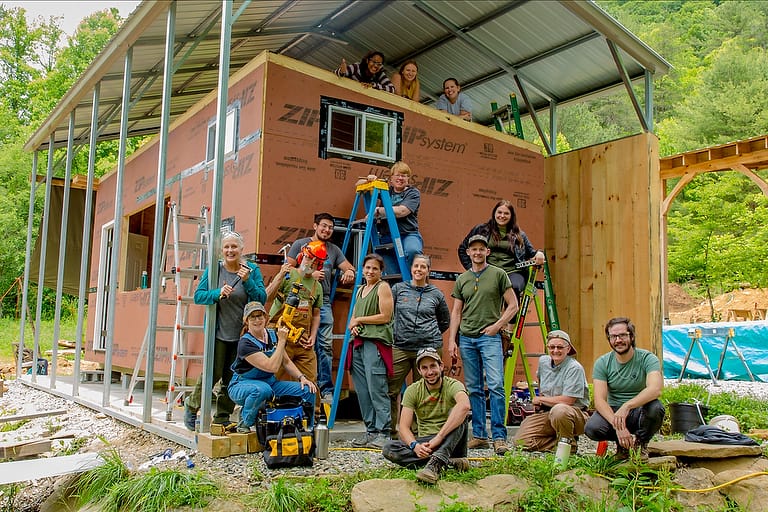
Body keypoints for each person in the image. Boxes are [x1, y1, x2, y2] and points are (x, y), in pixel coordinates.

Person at [186, 231, 266, 431]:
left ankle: (222, 416)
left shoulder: (252, 270)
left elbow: (261, 298)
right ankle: (192, 405)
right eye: (226, 247)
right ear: (221, 251)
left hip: (241, 336)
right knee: (212, 374)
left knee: (233, 377)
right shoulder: (214, 270)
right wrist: (217, 293)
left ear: (241, 249)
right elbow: (199, 296)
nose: (230, 250)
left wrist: (248, 281)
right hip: (218, 332)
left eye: (234, 247)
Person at [446, 234, 519, 455]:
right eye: (473, 249)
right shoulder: (463, 279)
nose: (477, 252)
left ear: (488, 252)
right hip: (467, 338)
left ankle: (499, 437)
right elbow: (456, 311)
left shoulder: (498, 275)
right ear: (468, 253)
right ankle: (479, 435)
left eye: (481, 249)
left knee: (496, 385)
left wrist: (497, 326)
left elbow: (513, 305)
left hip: (489, 337)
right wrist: (452, 340)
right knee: (474, 388)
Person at [286, 213, 356, 402]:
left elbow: (349, 268)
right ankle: (298, 389)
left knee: (324, 345)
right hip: (300, 300)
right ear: (315, 225)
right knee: (298, 343)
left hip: (322, 302)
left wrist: (349, 272)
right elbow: (286, 270)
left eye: (330, 227)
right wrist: (308, 273)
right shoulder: (300, 244)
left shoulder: (333, 250)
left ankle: (325, 389)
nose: (327, 230)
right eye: (323, 226)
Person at [382, 348, 471, 484]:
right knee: (388, 448)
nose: (429, 372)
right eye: (424, 368)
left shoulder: (453, 384)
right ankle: (449, 463)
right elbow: (403, 427)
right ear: (419, 371)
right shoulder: (413, 390)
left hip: (451, 441)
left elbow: (465, 406)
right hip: (426, 444)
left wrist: (439, 437)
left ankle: (436, 462)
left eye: (433, 366)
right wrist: (415, 446)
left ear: (441, 366)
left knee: (461, 414)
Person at [228, 302, 317, 433]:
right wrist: (282, 341)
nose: (257, 320)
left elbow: (286, 362)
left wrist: (302, 378)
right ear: (246, 321)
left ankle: (307, 427)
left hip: (270, 384)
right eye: (252, 317)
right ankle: (244, 422)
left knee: (308, 389)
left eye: (260, 316)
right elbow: (272, 367)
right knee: (262, 390)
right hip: (242, 385)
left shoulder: (272, 335)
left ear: (266, 318)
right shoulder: (245, 343)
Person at [584, 317, 665, 460]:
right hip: (615, 411)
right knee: (592, 428)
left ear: (631, 336)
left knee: (656, 408)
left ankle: (640, 444)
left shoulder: (647, 358)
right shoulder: (602, 363)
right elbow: (599, 400)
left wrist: (627, 405)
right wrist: (618, 426)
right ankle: (623, 446)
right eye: (613, 336)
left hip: (640, 410)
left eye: (623, 335)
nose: (618, 340)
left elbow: (655, 389)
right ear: (609, 339)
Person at [388, 254, 450, 434]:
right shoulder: (398, 289)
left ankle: (419, 432)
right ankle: (390, 431)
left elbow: (444, 321)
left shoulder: (436, 294)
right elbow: (387, 313)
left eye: (423, 267)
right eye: (416, 266)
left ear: (428, 271)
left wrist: (428, 335)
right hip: (400, 346)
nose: (419, 270)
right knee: (391, 389)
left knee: (424, 390)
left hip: (428, 348)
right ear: (411, 268)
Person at [512, 330, 589, 453]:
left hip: (574, 413)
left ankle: (568, 445)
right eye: (552, 347)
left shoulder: (574, 368)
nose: (555, 351)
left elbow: (568, 400)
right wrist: (540, 403)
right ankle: (562, 443)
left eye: (560, 347)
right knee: (520, 441)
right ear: (547, 347)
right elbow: (542, 385)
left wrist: (540, 399)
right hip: (548, 411)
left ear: (568, 349)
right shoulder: (543, 362)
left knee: (559, 410)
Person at [348, 253, 394, 449]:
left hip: (375, 343)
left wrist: (360, 320)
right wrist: (354, 325)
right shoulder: (360, 290)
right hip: (358, 342)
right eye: (367, 267)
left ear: (381, 271)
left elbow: (385, 316)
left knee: (377, 388)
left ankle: (384, 432)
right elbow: (354, 317)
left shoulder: (382, 287)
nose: (370, 271)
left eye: (375, 268)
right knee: (363, 390)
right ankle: (371, 430)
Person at [458, 200, 545, 299]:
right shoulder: (481, 230)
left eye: (506, 213)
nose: (502, 216)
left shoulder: (519, 235)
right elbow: (463, 249)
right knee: (485, 289)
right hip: (487, 272)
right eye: (499, 212)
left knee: (513, 288)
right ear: (494, 213)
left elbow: (532, 253)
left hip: (513, 273)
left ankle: (512, 314)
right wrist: (472, 268)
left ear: (511, 216)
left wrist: (540, 253)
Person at [266, 240, 325, 385]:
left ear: (319, 265)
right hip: (279, 338)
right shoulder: (288, 275)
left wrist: (312, 336)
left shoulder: (317, 287)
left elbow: (316, 315)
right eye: (308, 258)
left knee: (310, 382)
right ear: (301, 256)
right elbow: (267, 297)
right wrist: (280, 275)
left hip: (302, 341)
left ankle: (310, 408)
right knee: (269, 378)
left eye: (315, 262)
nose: (310, 263)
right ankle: (263, 406)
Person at [358, 161, 423, 274]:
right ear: (391, 178)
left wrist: (378, 210)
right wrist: (369, 180)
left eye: (404, 175)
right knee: (392, 273)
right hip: (387, 236)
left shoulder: (413, 193)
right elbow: (358, 185)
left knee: (413, 251)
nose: (400, 178)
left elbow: (402, 211)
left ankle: (413, 281)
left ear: (408, 178)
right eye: (397, 175)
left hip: (407, 234)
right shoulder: (385, 190)